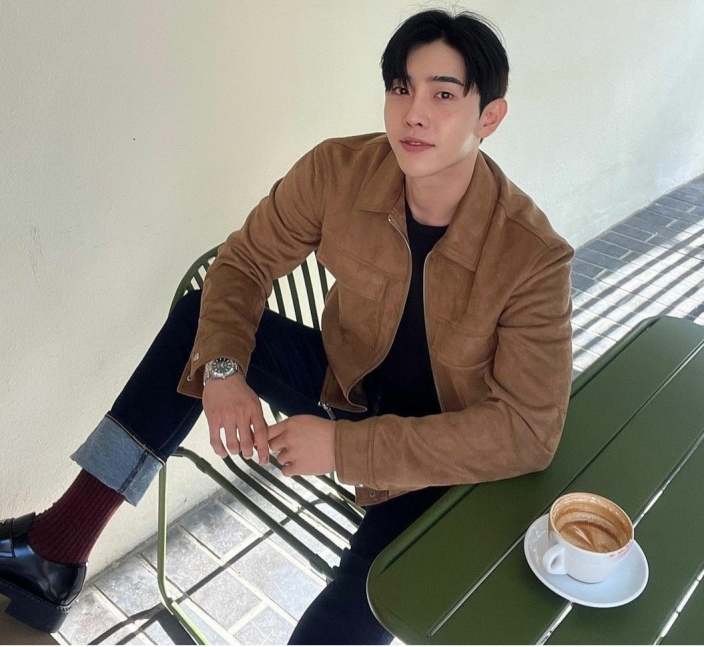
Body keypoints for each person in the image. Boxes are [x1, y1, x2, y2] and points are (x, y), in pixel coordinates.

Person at [0, 8, 573, 644]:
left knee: (359, 609)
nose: (413, 113)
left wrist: (346, 449)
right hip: (343, 386)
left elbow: (528, 432)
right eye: (400, 88)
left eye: (442, 94)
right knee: (197, 324)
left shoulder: (533, 256)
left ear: (489, 117)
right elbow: (242, 263)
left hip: (436, 454)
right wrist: (223, 371)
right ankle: (56, 548)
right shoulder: (338, 170)